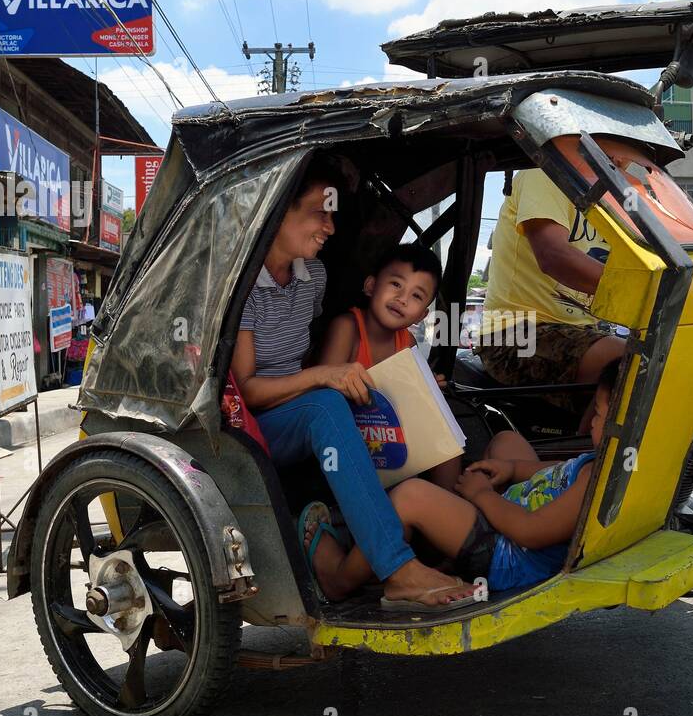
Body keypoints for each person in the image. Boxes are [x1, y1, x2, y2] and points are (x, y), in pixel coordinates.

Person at [230, 155, 475, 611]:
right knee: (325, 403)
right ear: (280, 211)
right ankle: (398, 570)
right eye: (319, 213)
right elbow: (250, 389)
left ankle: (437, 539)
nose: (329, 226)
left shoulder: (313, 277)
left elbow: (301, 360)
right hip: (262, 422)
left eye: (332, 215)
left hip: (306, 410)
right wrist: (325, 377)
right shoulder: (244, 287)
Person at [478, 168, 693, 393]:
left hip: (586, 333)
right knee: (636, 364)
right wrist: (653, 293)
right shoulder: (547, 173)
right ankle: (590, 472)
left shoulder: (618, 193)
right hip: (515, 333)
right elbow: (554, 256)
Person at [306, 360, 619, 610]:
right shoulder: (599, 463)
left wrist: (481, 495)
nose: (591, 420)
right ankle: (444, 538)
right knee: (506, 441)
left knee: (408, 496)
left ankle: (340, 578)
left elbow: (530, 532)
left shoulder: (596, 479)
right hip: (512, 516)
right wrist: (510, 468)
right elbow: (559, 471)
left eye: (600, 415)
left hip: (509, 556)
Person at [318, 242, 461, 488]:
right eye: (396, 284)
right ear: (371, 286)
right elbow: (323, 396)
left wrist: (427, 391)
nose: (402, 299)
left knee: (445, 433)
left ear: (422, 315)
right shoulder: (347, 328)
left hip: (389, 435)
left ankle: (446, 502)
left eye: (416, 296)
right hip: (345, 435)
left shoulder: (408, 342)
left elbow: (411, 405)